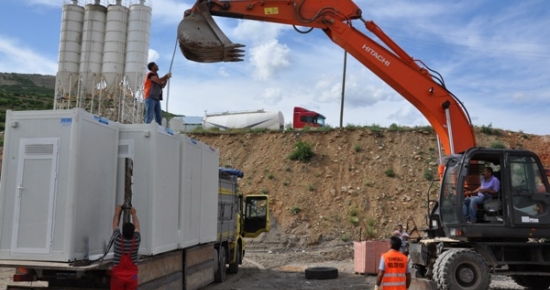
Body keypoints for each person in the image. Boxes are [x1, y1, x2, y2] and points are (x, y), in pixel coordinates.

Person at [110, 205, 141, 290]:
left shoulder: (118, 239)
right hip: (132, 277)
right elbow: (137, 227)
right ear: (133, 232)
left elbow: (115, 225)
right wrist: (134, 214)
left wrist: (117, 213)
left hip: (118, 277)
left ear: (122, 232)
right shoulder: (136, 240)